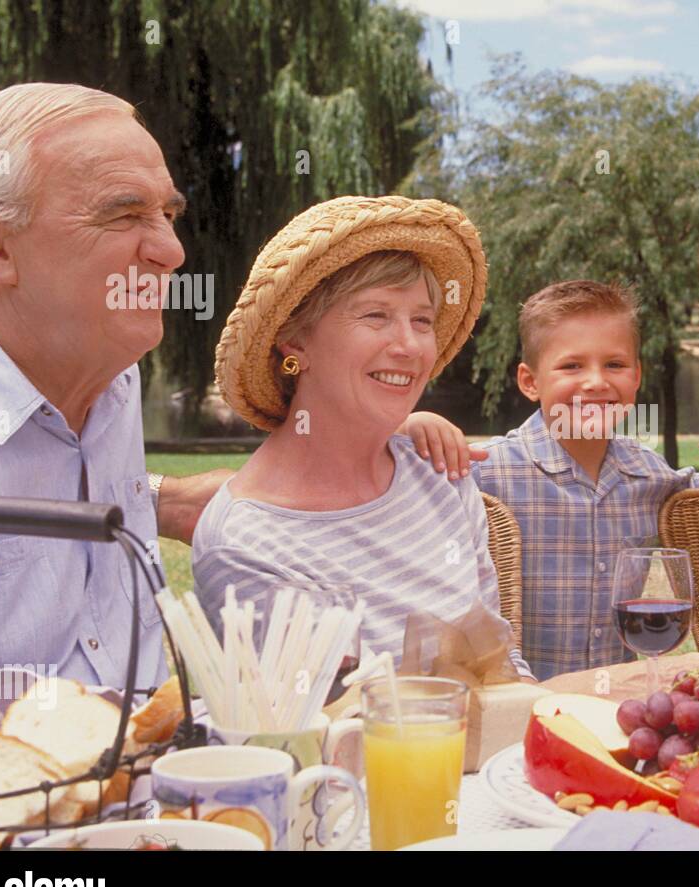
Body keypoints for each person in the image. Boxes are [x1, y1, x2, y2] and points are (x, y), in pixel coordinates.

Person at [193, 195, 531, 677]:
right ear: (295, 340)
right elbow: (309, 735)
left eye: (421, 320)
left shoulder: (441, 477)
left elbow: (500, 668)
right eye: (375, 315)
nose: (410, 346)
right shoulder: (246, 543)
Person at [0, 83, 214, 690]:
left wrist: (159, 497)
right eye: (124, 216)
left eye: (168, 215)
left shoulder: (113, 372)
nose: (172, 252)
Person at [403, 281, 699, 680]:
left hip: (610, 706)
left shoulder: (651, 476)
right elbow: (386, 482)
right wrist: (407, 426)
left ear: (636, 377)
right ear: (530, 382)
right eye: (572, 366)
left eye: (614, 365)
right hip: (519, 702)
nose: (596, 381)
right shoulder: (487, 471)